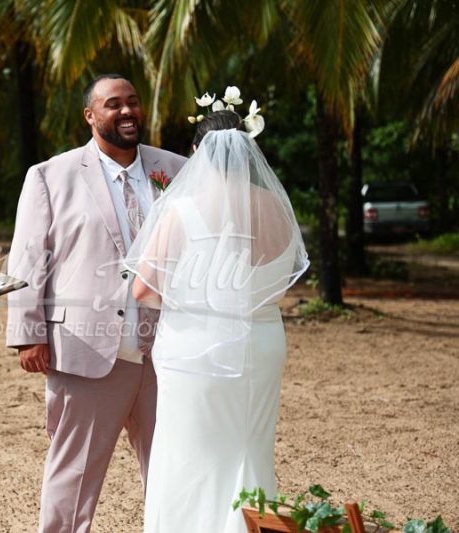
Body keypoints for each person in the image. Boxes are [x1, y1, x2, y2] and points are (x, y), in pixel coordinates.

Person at [6, 73, 187, 532]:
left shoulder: (178, 170)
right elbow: (29, 261)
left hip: (168, 352)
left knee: (175, 472)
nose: (127, 111)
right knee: (74, 476)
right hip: (86, 350)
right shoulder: (51, 175)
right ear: (90, 115)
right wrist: (28, 335)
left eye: (133, 102)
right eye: (113, 104)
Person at [125, 108, 309, 533]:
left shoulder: (184, 209)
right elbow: (283, 276)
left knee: (191, 455)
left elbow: (143, 290)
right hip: (261, 344)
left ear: (198, 154)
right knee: (250, 448)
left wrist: (192, 296)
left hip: (198, 350)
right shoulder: (278, 209)